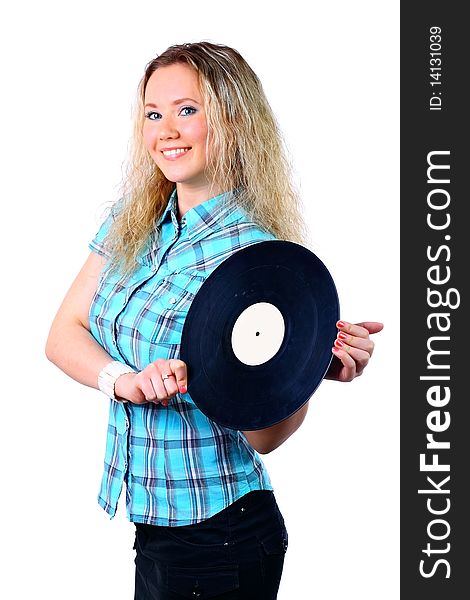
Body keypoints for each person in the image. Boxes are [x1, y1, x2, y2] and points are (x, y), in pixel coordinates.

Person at [45, 42, 383, 600]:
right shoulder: (133, 223)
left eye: (187, 110)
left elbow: (263, 436)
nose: (166, 131)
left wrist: (304, 370)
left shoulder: (258, 259)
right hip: (154, 528)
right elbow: (63, 334)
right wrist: (124, 381)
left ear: (231, 117)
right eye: (154, 114)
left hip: (220, 536)